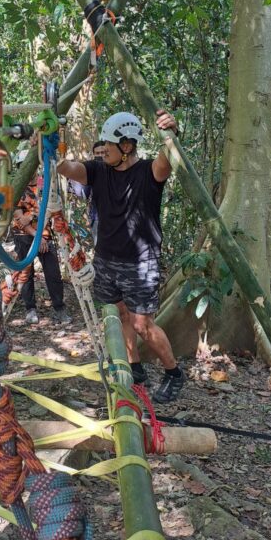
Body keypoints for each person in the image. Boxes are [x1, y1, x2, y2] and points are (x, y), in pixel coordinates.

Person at [57, 110, 186, 403]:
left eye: (109, 146)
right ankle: (135, 368)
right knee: (119, 316)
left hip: (140, 262)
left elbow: (166, 161)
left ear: (127, 146)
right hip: (105, 260)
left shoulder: (148, 172)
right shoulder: (99, 170)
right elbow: (66, 168)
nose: (103, 151)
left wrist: (171, 133)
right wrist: (51, 143)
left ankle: (174, 372)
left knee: (142, 324)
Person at [12, 150, 71, 325]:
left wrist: (36, 220)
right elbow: (19, 218)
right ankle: (30, 309)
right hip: (24, 236)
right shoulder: (14, 188)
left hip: (46, 236)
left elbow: (52, 209)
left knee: (53, 273)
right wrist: (35, 225)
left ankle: (59, 308)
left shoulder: (44, 185)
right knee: (25, 273)